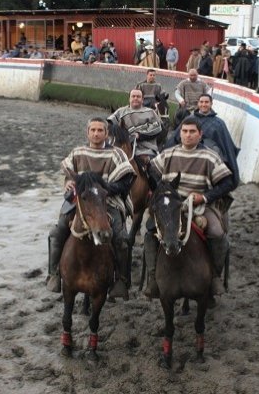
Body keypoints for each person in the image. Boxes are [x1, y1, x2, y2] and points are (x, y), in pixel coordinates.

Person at [144, 117, 236, 298]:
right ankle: (153, 278)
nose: (188, 135)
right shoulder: (168, 153)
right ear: (180, 133)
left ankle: (215, 277)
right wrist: (161, 190)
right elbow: (153, 171)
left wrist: (204, 196)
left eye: (192, 132)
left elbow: (227, 183)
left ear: (200, 134)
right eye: (184, 131)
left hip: (199, 206)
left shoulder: (210, 156)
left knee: (217, 233)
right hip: (170, 206)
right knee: (149, 232)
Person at [46, 118, 136, 298]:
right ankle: (54, 273)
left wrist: (104, 190)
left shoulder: (116, 154)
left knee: (121, 239)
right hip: (80, 202)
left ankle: (121, 280)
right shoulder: (78, 152)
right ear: (87, 133)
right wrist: (69, 183)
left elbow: (127, 181)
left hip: (107, 202)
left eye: (100, 130)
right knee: (57, 232)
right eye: (93, 130)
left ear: (106, 133)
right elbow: (69, 175)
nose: (96, 134)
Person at [166, 93, 240, 188]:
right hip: (187, 156)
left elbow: (227, 145)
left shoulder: (219, 123)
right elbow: (175, 138)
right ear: (198, 104)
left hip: (211, 160)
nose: (204, 104)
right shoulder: (189, 119)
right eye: (201, 102)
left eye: (206, 102)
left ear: (211, 104)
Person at [107, 89, 164, 165]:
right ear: (129, 98)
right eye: (133, 96)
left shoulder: (150, 112)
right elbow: (109, 125)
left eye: (138, 96)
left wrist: (139, 135)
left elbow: (157, 128)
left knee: (153, 169)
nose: (135, 98)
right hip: (124, 147)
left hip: (146, 149)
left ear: (142, 99)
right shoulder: (120, 112)